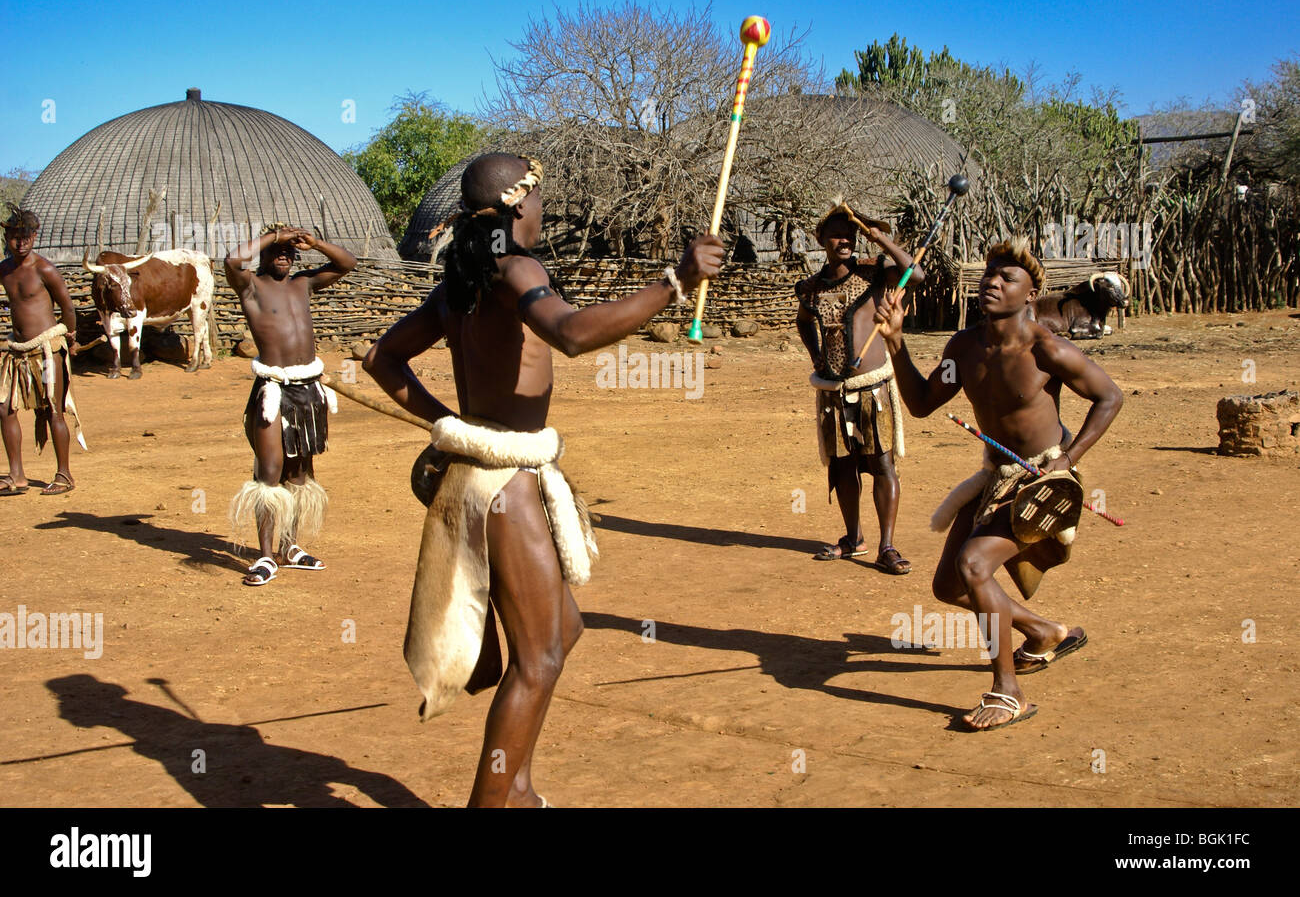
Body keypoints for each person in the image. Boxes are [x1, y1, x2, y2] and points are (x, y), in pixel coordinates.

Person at [364, 152, 724, 806]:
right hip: (505, 486)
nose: (542, 214)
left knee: (565, 630)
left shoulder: (465, 279)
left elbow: (381, 356)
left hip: (486, 471)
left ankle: (518, 786)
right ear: (513, 206)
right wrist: (674, 281)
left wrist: (450, 425)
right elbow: (573, 333)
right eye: (537, 203)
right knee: (541, 660)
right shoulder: (514, 267)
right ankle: (491, 803)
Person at [872, 237, 1122, 730]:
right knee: (949, 586)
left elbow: (1110, 397)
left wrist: (1067, 460)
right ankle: (1043, 630)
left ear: (1030, 295)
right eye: (990, 275)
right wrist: (896, 344)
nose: (993, 283)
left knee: (973, 564)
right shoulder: (963, 347)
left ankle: (1008, 691)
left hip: (1040, 482)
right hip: (995, 477)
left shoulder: (1047, 348)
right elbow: (922, 402)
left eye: (1008, 278)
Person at [224, 224, 356, 586]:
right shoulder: (251, 286)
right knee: (269, 472)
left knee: (299, 475)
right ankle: (265, 556)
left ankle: (289, 546)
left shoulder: (303, 284)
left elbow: (348, 263)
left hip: (307, 389)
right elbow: (232, 260)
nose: (284, 255)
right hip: (273, 389)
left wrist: (314, 243)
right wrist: (273, 236)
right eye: (277, 250)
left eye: (289, 251)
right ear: (264, 253)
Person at [795, 201, 921, 573]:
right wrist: (816, 355)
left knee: (882, 463)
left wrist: (879, 238)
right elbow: (804, 321)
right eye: (837, 233)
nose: (846, 239)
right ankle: (853, 539)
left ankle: (887, 546)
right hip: (833, 392)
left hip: (872, 389)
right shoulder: (812, 287)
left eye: (851, 233)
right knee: (842, 467)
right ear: (820, 239)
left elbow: (915, 276)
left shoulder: (876, 273)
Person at [0, 205, 86, 496]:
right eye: (14, 236)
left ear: (34, 236)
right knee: (4, 408)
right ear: (7, 236)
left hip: (48, 350)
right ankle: (17, 476)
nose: (20, 242)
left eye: (26, 236)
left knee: (53, 410)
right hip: (18, 352)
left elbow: (67, 307)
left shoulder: (44, 268)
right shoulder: (4, 270)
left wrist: (70, 339)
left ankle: (64, 475)